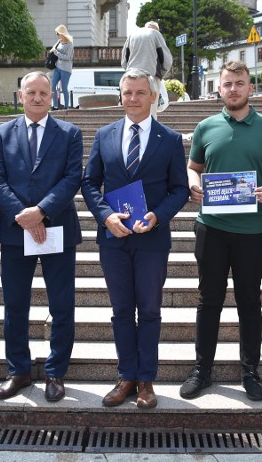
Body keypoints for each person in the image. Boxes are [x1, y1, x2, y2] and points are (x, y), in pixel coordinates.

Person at [82, 68, 189, 409]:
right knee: (121, 310)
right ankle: (126, 376)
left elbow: (180, 189)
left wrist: (158, 215)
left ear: (153, 96)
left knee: (151, 310)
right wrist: (105, 216)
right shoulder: (104, 135)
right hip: (113, 239)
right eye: (127, 93)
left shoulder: (169, 139)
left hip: (151, 240)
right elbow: (89, 183)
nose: (132, 99)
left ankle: (146, 381)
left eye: (139, 93)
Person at [180, 60, 262, 402]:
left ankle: (250, 372)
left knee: (249, 301)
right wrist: (193, 184)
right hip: (211, 226)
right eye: (227, 84)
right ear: (219, 89)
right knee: (208, 300)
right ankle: (201, 370)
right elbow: (193, 167)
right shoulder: (205, 127)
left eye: (239, 83)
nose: (234, 89)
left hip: (252, 229)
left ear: (250, 87)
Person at [0, 71, 83, 403]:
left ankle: (56, 372)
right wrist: (24, 216)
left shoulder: (70, 133)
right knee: (15, 305)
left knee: (61, 305)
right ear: (20, 95)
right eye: (32, 92)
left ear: (53, 96)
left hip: (57, 227)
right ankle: (19, 371)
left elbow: (73, 178)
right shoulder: (1, 133)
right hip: (16, 233)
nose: (38, 97)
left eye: (45, 92)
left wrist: (41, 211)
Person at [121, 21, 173, 117]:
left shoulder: (132, 35)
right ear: (157, 29)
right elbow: (167, 61)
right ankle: (149, 131)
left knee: (132, 106)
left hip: (131, 77)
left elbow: (124, 60)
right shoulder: (156, 34)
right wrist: (160, 75)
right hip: (150, 76)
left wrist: (129, 73)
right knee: (151, 109)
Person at [50, 24, 74, 110]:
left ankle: (66, 106)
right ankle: (55, 105)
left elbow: (67, 57)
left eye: (58, 33)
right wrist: (53, 51)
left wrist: (56, 52)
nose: (57, 35)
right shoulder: (59, 42)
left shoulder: (70, 44)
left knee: (64, 88)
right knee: (52, 86)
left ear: (62, 33)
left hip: (66, 69)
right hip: (57, 67)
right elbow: (53, 50)